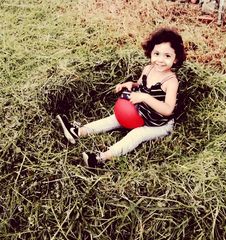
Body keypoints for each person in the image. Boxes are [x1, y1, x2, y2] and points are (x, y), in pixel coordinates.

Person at [57, 27, 186, 167]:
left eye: (167, 56)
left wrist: (145, 98)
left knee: (136, 134)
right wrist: (130, 84)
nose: (160, 60)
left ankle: (101, 158)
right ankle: (78, 132)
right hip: (141, 113)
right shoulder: (148, 69)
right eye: (157, 54)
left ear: (176, 59)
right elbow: (140, 84)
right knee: (116, 118)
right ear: (150, 53)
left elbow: (167, 110)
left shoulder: (171, 82)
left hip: (158, 123)